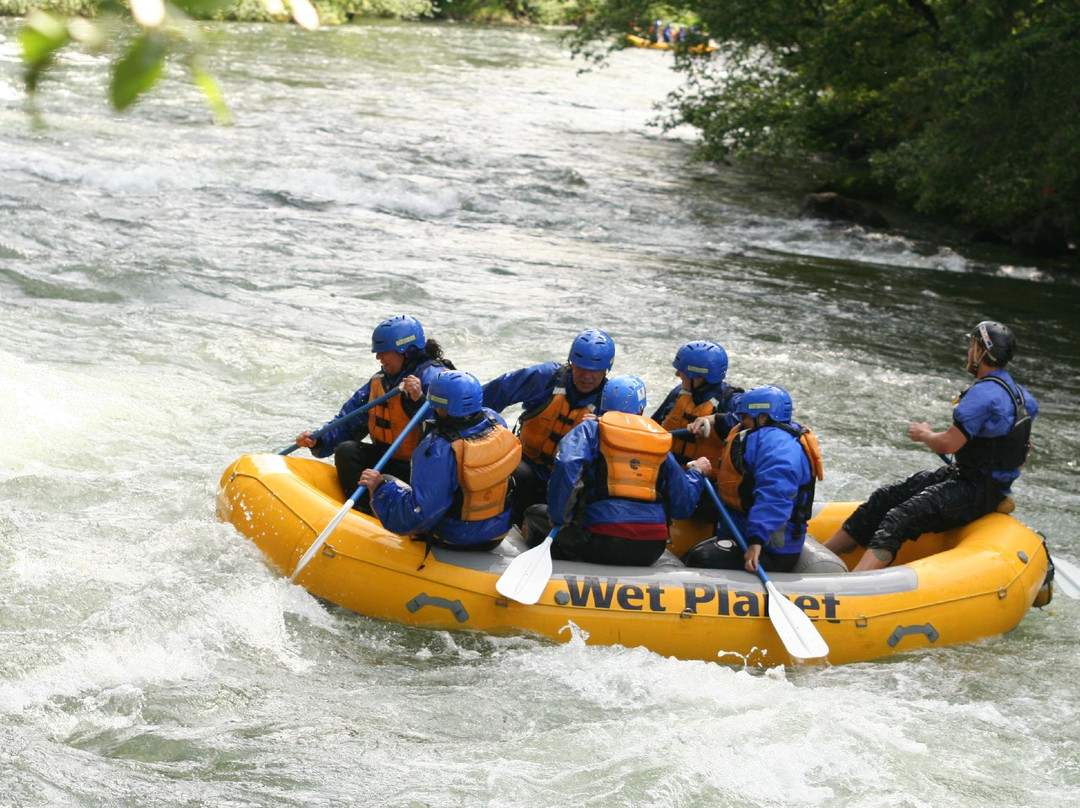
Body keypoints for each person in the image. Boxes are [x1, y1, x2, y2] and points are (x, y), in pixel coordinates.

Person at [824, 321, 1038, 571]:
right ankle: (826, 552)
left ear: (982, 352)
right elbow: (1023, 448)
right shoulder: (1024, 397)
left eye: (972, 347)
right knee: (887, 497)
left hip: (974, 490)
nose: (969, 353)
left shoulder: (982, 396)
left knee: (899, 517)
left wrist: (924, 434)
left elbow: (948, 444)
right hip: (973, 481)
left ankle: (854, 584)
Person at [528, 374, 708, 567]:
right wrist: (696, 472)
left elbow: (567, 463)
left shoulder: (589, 429)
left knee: (533, 514)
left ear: (603, 403)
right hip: (651, 549)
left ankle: (554, 570)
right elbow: (683, 507)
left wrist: (559, 516)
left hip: (600, 542)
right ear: (640, 409)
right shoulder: (659, 441)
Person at [357, 371, 521, 551]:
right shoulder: (495, 421)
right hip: (497, 532)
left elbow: (420, 515)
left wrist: (380, 488)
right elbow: (450, 421)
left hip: (456, 538)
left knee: (385, 480)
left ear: (441, 406)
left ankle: (372, 529)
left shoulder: (438, 449)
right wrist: (419, 399)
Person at [296, 314, 453, 499]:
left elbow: (450, 433)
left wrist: (417, 401)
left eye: (384, 351)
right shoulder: (380, 381)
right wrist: (319, 439)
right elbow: (348, 422)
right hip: (389, 464)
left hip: (423, 472)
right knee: (347, 450)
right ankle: (364, 512)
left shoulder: (438, 380)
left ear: (406, 351)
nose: (378, 357)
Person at [482, 328, 615, 527]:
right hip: (527, 466)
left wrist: (603, 426)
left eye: (594, 370)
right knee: (516, 473)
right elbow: (497, 392)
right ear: (572, 363)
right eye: (581, 368)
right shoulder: (546, 377)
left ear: (606, 370)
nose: (587, 376)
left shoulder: (611, 401)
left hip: (568, 484)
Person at [684, 386, 824, 573]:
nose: (740, 421)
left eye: (745, 417)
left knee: (701, 558)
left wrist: (756, 540)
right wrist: (713, 419)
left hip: (770, 548)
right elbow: (731, 421)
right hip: (741, 530)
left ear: (763, 417)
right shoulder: (757, 432)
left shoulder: (778, 447)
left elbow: (775, 493)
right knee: (690, 554)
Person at [651, 340, 744, 475]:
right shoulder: (679, 393)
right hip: (669, 475)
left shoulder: (731, 400)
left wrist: (715, 419)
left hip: (708, 483)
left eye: (682, 370)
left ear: (699, 377)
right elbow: (651, 426)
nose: (677, 374)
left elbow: (758, 422)